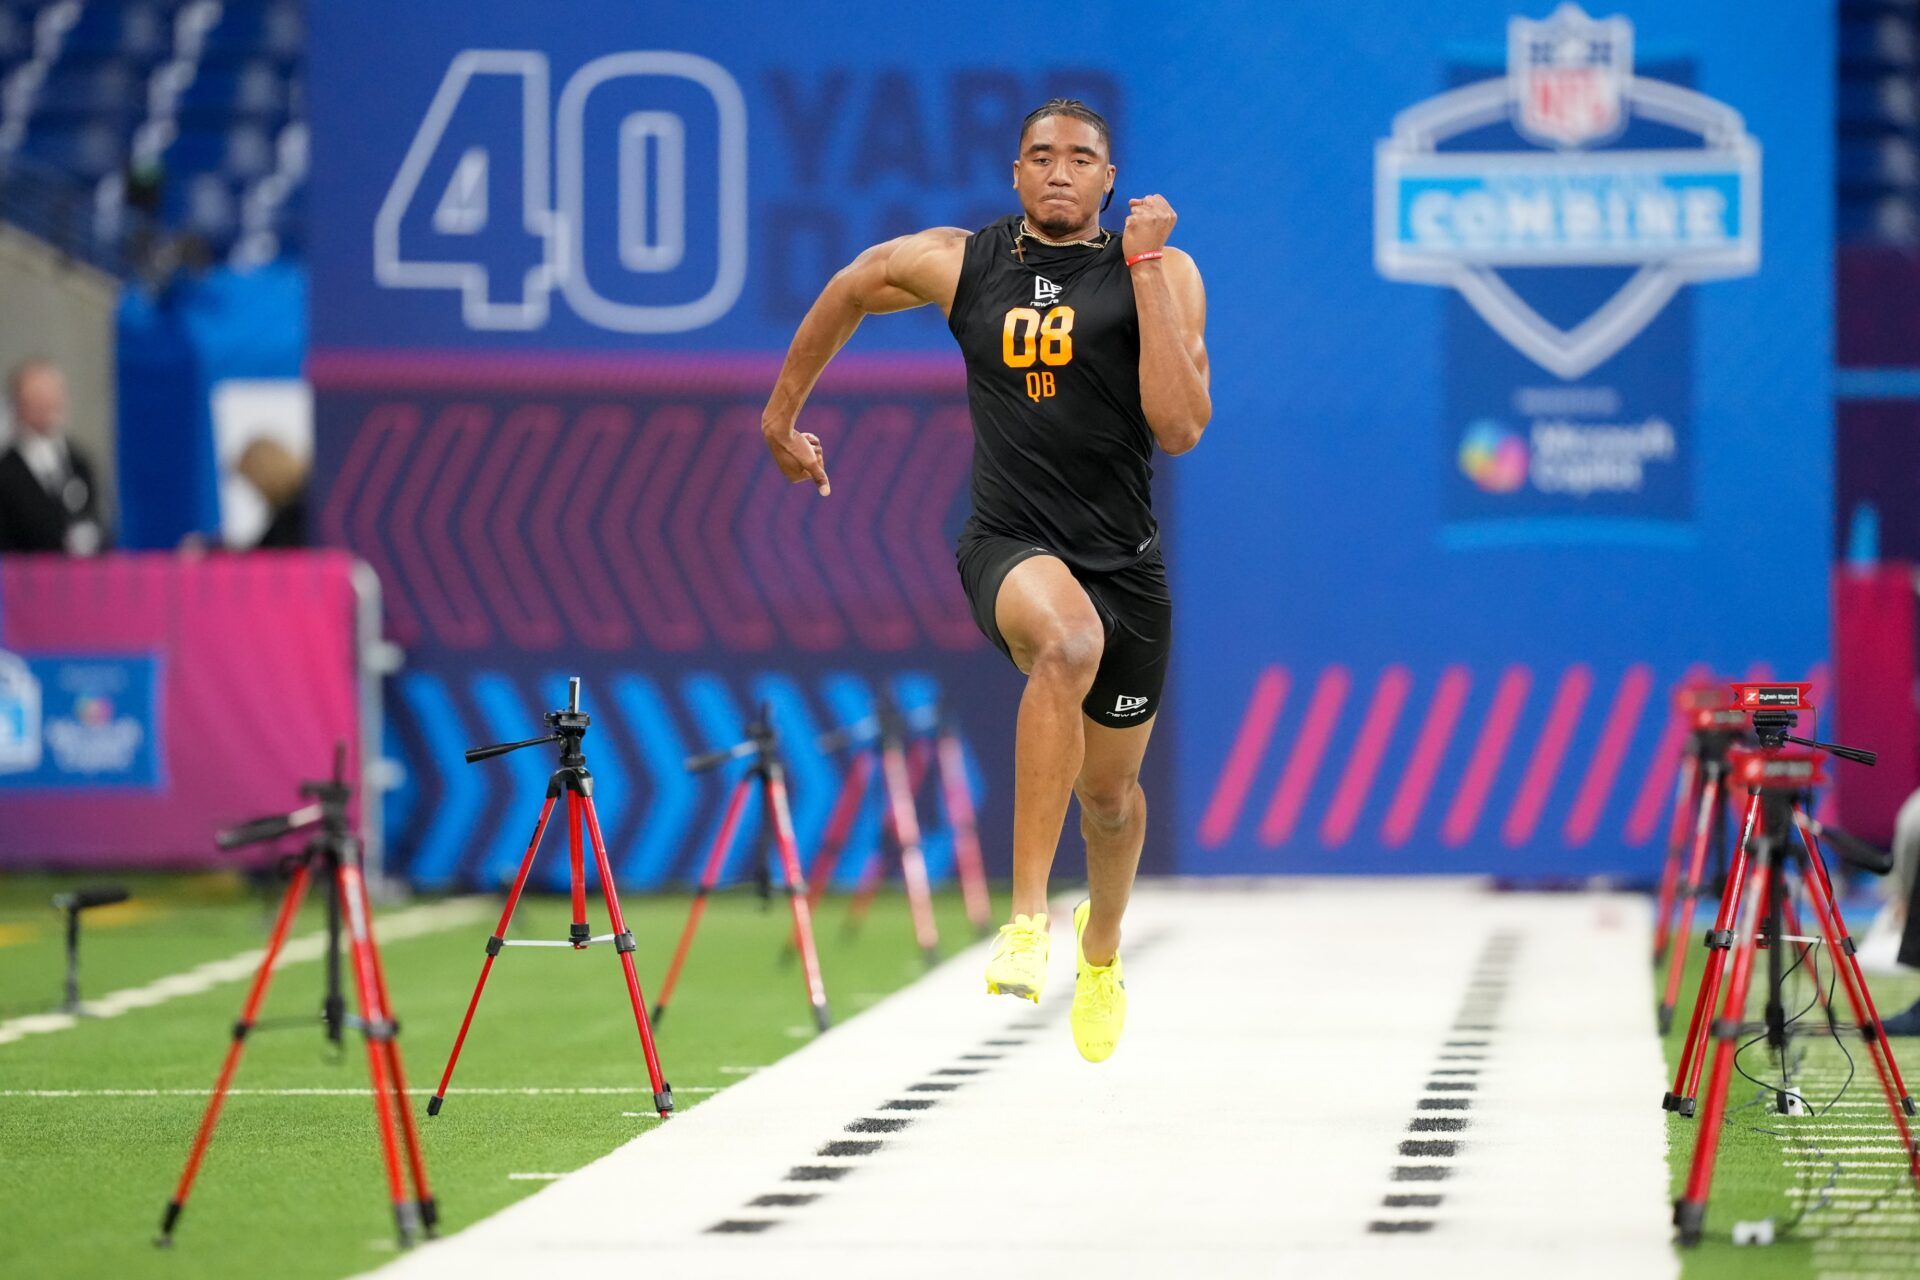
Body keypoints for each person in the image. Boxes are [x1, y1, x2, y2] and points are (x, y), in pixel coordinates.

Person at [761, 99, 1209, 1062]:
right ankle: (1026, 919)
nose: (1058, 171)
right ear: (1014, 175)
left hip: (1125, 564)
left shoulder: (1161, 273)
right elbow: (853, 283)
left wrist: (1140, 268)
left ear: (1109, 179)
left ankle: (1100, 951)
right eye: (1040, 157)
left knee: (1112, 802)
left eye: (1079, 158)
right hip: (1008, 542)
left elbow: (1180, 426)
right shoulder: (965, 261)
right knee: (1065, 641)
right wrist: (780, 418)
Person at [0, 359, 105, 555]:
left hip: (79, 579)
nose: (49, 405)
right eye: (39, 397)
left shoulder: (80, 462)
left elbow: (97, 522)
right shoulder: (6, 471)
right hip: (25, 578)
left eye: (54, 395)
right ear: (20, 404)